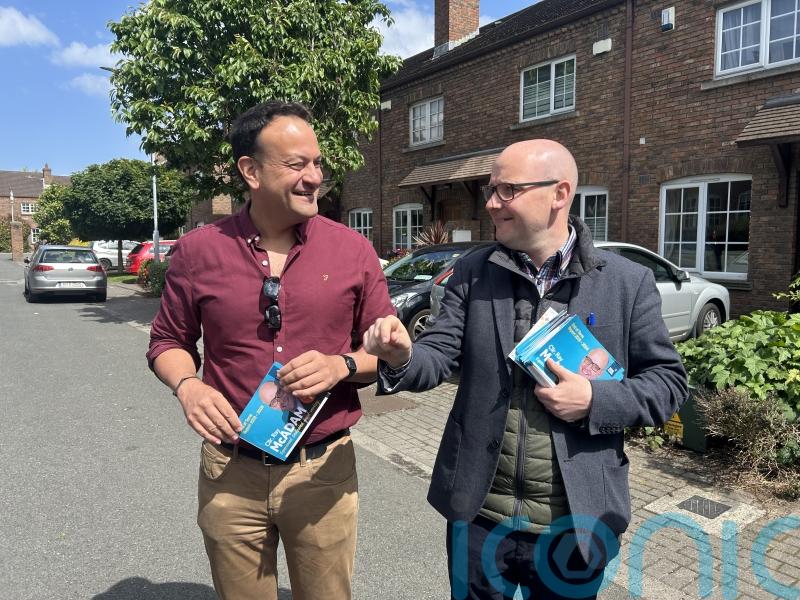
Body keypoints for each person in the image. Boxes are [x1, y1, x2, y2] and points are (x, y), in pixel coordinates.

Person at [363, 139, 688, 600]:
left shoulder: (625, 282)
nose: (491, 203)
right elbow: (437, 357)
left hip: (572, 522)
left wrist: (595, 400)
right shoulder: (473, 271)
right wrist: (402, 355)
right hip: (479, 515)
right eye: (491, 190)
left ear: (559, 193)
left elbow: (668, 384)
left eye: (507, 190)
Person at [147, 100, 393, 600]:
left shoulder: (353, 250)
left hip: (322, 472)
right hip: (230, 470)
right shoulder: (198, 251)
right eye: (297, 164)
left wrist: (341, 364)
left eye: (317, 163)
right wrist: (187, 385)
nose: (314, 177)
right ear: (250, 171)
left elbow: (383, 355)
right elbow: (167, 341)